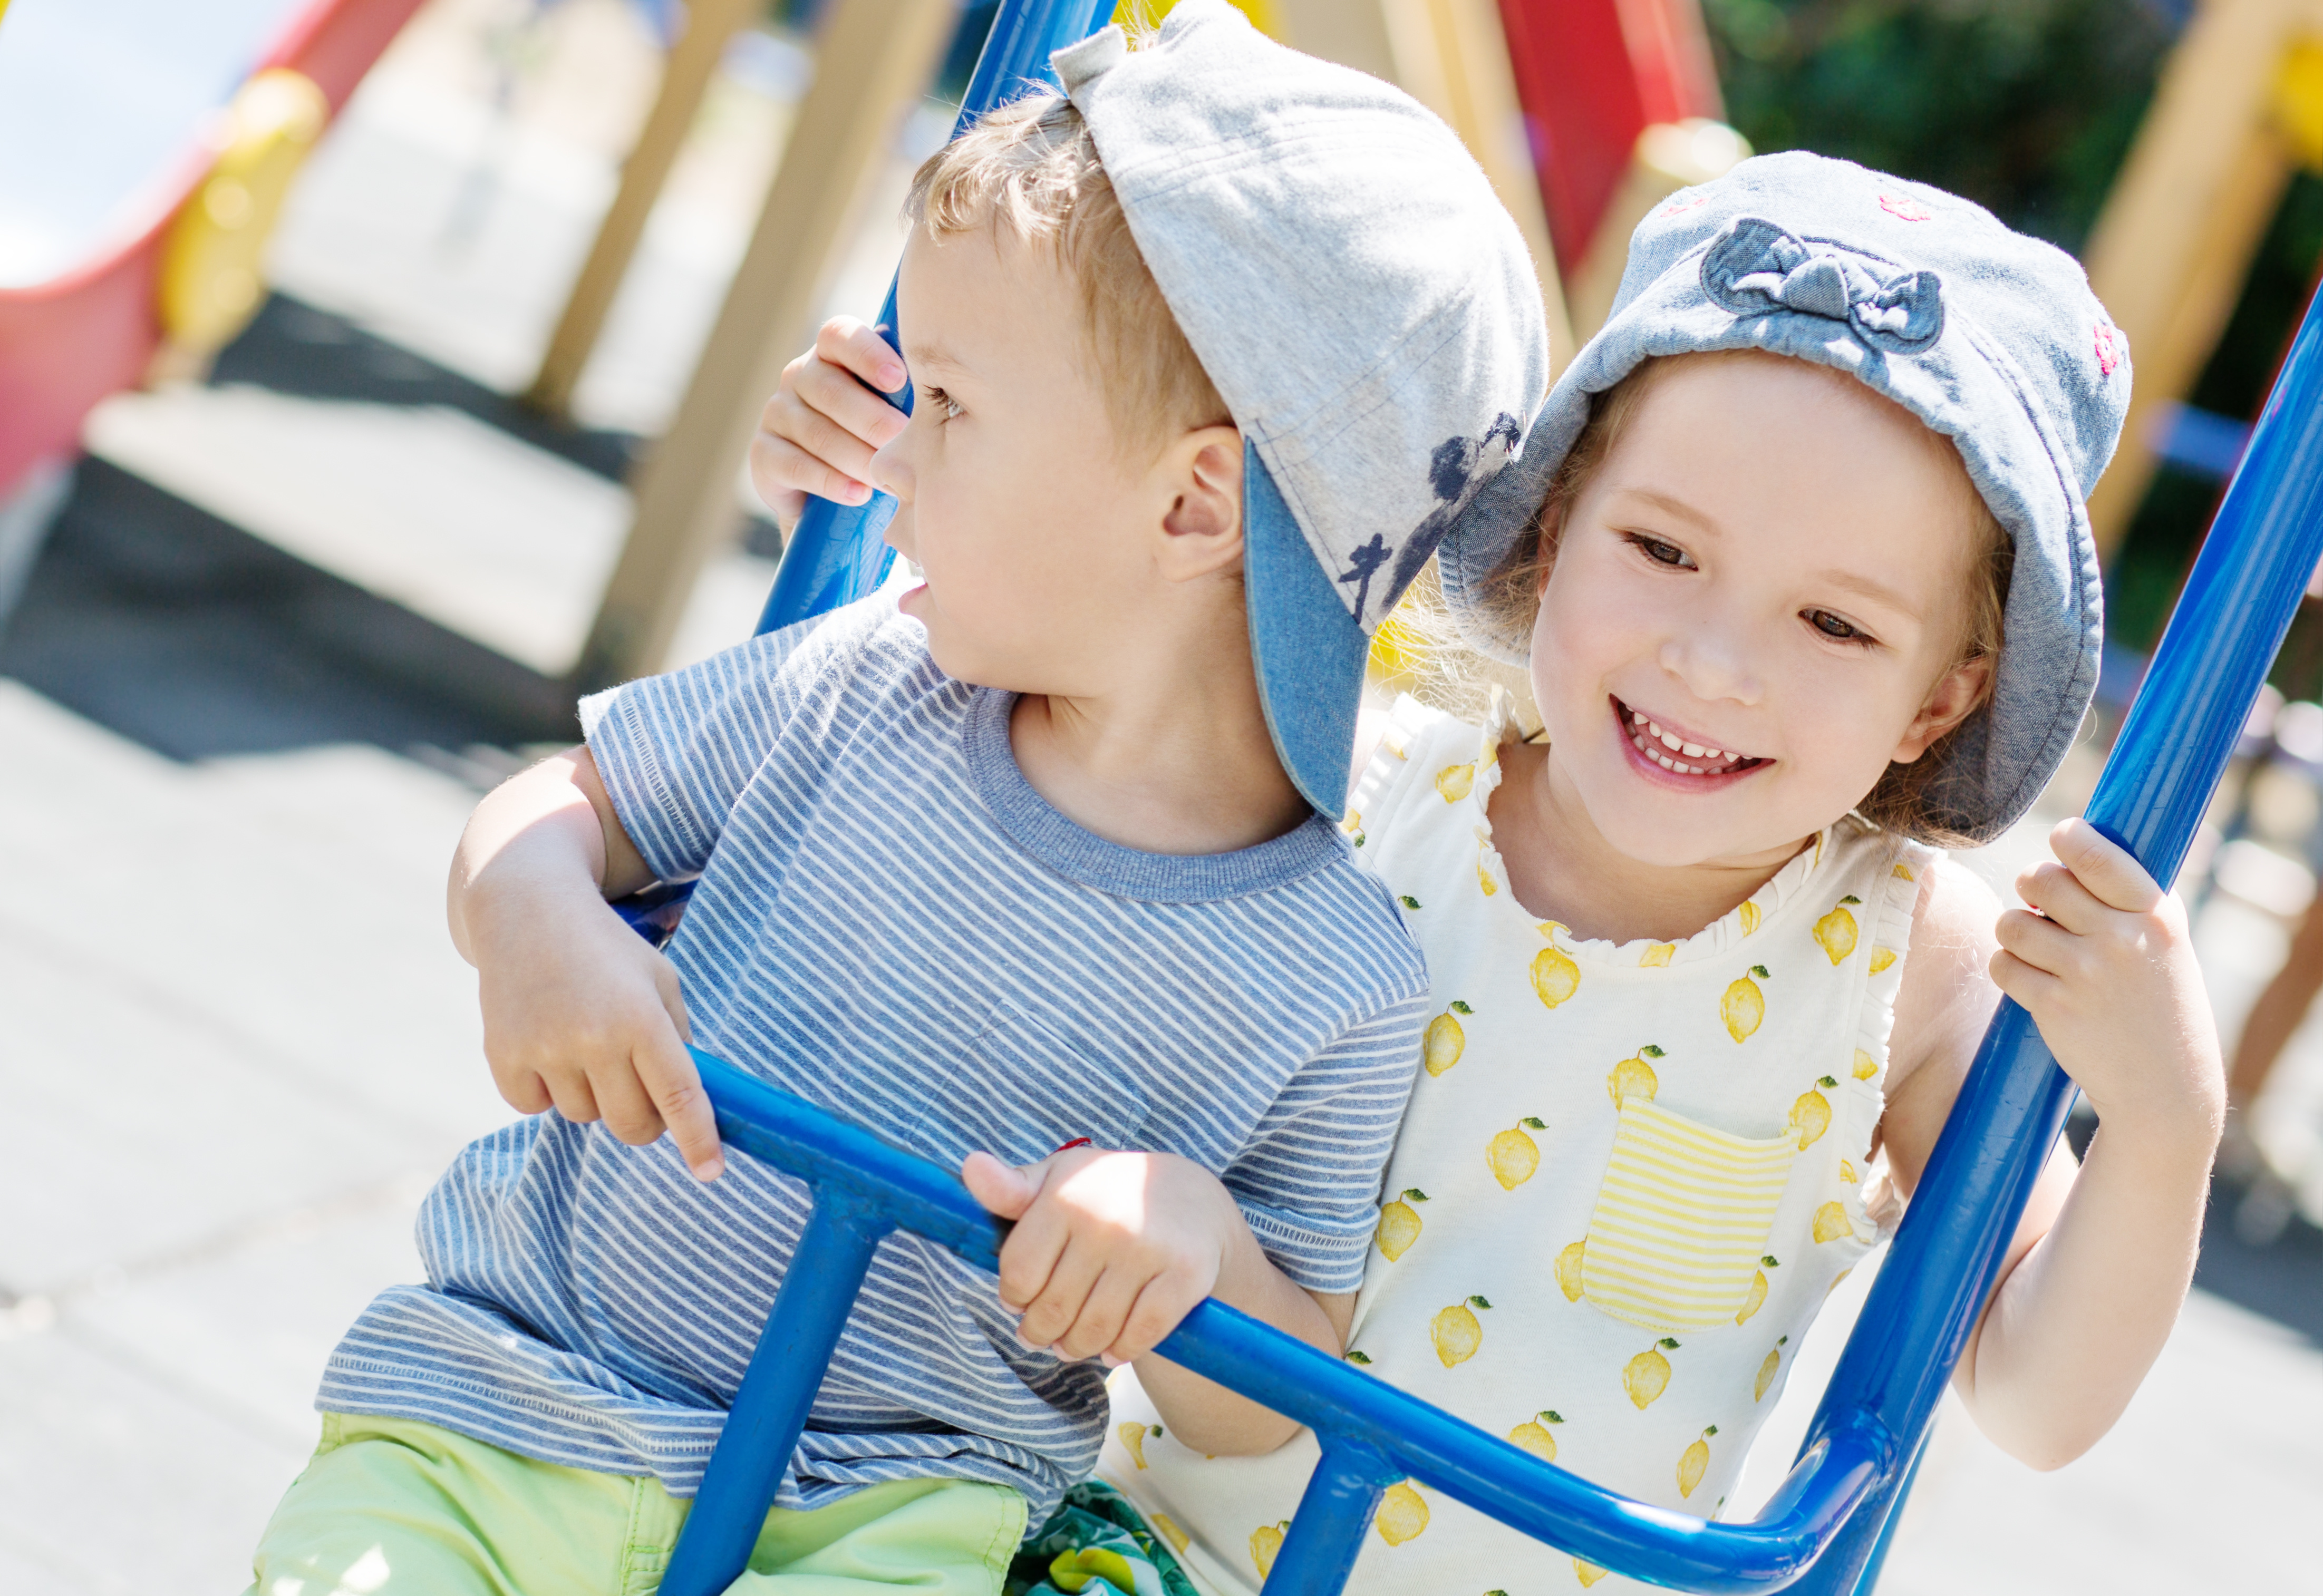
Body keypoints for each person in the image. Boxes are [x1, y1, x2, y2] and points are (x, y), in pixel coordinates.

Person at [771, 154, 2227, 1596]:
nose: (1712, 662)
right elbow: (1011, 763)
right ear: (1552, 528)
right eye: (1662, 548)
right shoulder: (1357, 786)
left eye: (1834, 626)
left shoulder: (1910, 964)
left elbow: (2036, 1393)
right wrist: (886, 476)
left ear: (1938, 703)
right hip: (1173, 1556)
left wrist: (2162, 1120)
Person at [240, 7, 1550, 1593]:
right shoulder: (862, 679)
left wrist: (1192, 1245)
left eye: (948, 405)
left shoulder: (1337, 980)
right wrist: (529, 903)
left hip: (884, 1523)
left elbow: (1269, 1406)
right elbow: (564, 805)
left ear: (1196, 500)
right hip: (512, 1417)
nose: (888, 456)